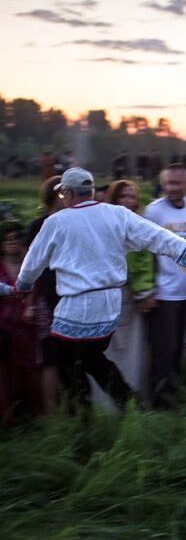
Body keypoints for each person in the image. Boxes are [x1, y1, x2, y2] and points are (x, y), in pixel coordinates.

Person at [8, 167, 186, 410]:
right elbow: (158, 237)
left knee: (68, 359)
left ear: (67, 193)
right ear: (89, 191)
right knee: (92, 359)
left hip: (77, 305)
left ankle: (87, 415)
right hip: (110, 304)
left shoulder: (56, 222)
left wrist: (22, 286)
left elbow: (33, 262)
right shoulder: (117, 214)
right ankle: (127, 405)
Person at [143, 165, 186, 408]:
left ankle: (174, 392)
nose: (172, 188)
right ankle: (160, 401)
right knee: (163, 349)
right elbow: (145, 252)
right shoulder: (154, 212)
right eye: (168, 183)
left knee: (179, 346)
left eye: (177, 183)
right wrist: (147, 290)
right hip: (163, 293)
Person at [101, 180, 155, 399]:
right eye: (124, 195)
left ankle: (133, 398)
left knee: (133, 350)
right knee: (110, 349)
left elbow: (144, 262)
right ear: (114, 198)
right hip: (109, 295)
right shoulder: (106, 224)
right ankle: (109, 403)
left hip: (131, 296)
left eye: (132, 196)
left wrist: (144, 292)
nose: (129, 200)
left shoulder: (138, 224)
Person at [24, 176, 65, 414]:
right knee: (50, 359)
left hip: (71, 298)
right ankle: (52, 415)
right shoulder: (38, 226)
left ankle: (69, 409)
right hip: (48, 299)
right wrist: (30, 304)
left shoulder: (72, 222)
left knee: (69, 358)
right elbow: (30, 270)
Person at [0, 221, 43, 425]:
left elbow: (35, 287)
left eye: (15, 238)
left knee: (32, 369)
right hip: (5, 327)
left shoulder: (29, 264)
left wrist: (29, 305)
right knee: (8, 373)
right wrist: (12, 292)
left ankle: (33, 414)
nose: (11, 242)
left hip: (28, 323)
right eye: (7, 239)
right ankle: (10, 416)